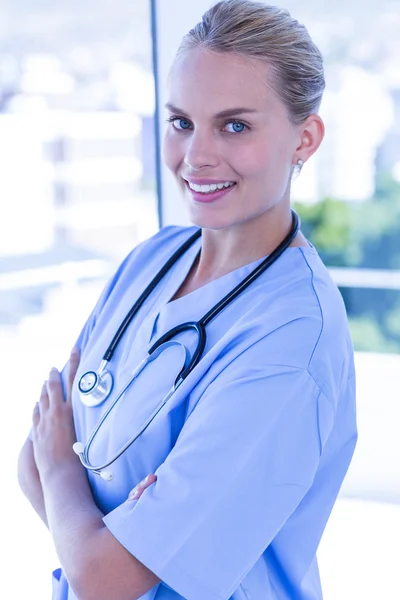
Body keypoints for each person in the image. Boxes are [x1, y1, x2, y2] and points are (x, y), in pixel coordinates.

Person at [17, 1, 358, 599]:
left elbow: (104, 576)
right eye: (181, 122)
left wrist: (64, 472)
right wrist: (108, 530)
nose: (196, 156)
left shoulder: (289, 340)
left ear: (305, 138)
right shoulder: (150, 261)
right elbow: (29, 460)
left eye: (234, 126)